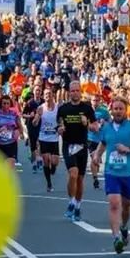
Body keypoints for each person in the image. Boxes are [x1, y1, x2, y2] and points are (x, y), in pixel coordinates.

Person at [92, 96, 130, 254]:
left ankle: (124, 226)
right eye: (115, 109)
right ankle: (116, 238)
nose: (117, 111)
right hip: (111, 172)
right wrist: (96, 156)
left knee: (126, 205)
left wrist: (128, 149)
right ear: (111, 110)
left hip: (129, 173)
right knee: (114, 203)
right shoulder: (107, 128)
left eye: (120, 109)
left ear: (125, 110)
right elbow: (103, 143)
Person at [58, 81, 98, 222]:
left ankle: (77, 206)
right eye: (72, 90)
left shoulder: (87, 109)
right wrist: (60, 129)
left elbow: (95, 127)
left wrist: (86, 123)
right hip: (68, 145)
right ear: (69, 92)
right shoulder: (63, 109)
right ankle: (72, 202)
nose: (74, 93)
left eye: (77, 90)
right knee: (73, 174)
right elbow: (59, 125)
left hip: (82, 146)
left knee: (80, 179)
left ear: (80, 92)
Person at [0, 95, 23, 169]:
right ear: (1, 104)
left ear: (10, 104)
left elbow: (19, 126)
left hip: (11, 143)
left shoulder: (14, 114)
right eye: (4, 103)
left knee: (10, 166)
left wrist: (19, 133)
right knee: (0, 168)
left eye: (7, 103)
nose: (6, 105)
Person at [37, 88, 60, 192]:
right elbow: (34, 123)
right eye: (46, 94)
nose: (48, 96)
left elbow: (61, 120)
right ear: (43, 96)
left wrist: (61, 127)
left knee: (54, 161)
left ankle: (53, 168)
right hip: (43, 138)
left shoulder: (57, 108)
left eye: (50, 94)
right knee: (46, 160)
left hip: (54, 138)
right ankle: (49, 183)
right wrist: (38, 115)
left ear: (53, 95)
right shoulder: (40, 108)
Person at [88, 92, 111, 190]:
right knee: (94, 158)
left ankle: (96, 168)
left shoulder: (104, 111)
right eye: (93, 100)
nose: (95, 102)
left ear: (100, 101)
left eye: (97, 101)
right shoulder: (87, 111)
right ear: (91, 101)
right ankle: (95, 179)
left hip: (101, 140)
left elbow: (110, 122)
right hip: (90, 139)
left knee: (97, 161)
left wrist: (104, 122)